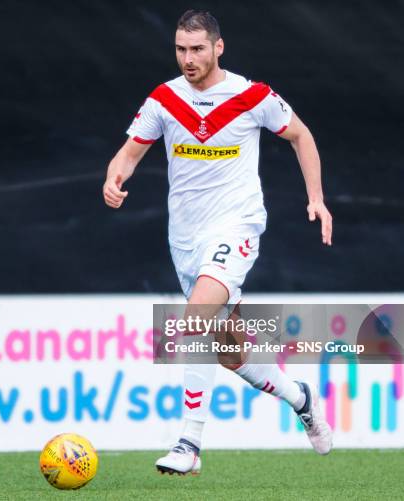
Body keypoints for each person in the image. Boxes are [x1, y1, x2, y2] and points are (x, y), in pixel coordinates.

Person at [102, 9, 334, 475]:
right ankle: (301, 398)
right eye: (180, 49)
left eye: (197, 49)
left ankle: (189, 443)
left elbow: (301, 136)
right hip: (185, 239)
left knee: (193, 322)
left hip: (237, 226)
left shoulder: (251, 96)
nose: (188, 59)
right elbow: (128, 154)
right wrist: (114, 179)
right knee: (229, 352)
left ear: (218, 47)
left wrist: (317, 199)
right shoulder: (165, 99)